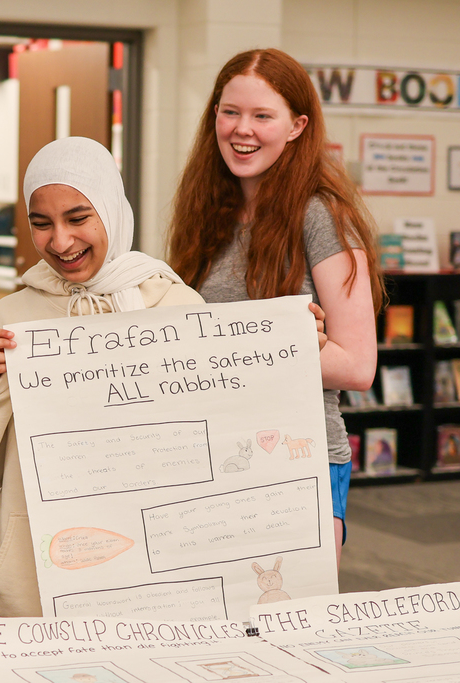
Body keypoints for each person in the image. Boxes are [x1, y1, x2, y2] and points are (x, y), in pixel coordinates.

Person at [0, 137, 204, 617]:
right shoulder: (10, 318)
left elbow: (216, 440)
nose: (60, 242)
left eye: (79, 218)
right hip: (33, 589)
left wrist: (287, 349)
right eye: (40, 224)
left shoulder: (175, 306)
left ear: (111, 208)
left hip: (152, 583)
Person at [167, 48, 383, 567]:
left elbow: (357, 366)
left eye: (263, 115)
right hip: (215, 452)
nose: (242, 129)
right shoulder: (206, 213)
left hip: (297, 455)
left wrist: (269, 340)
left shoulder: (321, 216)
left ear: (296, 126)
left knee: (289, 629)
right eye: (230, 112)